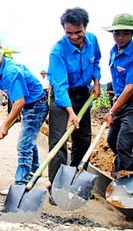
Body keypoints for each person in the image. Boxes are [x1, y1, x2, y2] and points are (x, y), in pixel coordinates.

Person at [0, 39, 48, 193]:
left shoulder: (11, 71)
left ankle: (20, 184)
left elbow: (20, 101)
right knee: (29, 141)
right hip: (29, 106)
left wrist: (5, 124)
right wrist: (14, 117)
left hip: (36, 106)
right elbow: (15, 99)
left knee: (23, 146)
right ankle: (34, 171)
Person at [47, 7, 101, 205]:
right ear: (64, 30)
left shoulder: (93, 40)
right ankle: (56, 187)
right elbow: (60, 86)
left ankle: (76, 184)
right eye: (69, 33)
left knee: (83, 139)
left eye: (78, 32)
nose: (74, 37)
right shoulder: (57, 51)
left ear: (85, 28)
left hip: (82, 94)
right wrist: (70, 112)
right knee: (59, 142)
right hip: (62, 98)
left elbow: (96, 62)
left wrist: (96, 82)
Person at [102, 13, 133, 177]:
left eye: (125, 33)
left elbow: (130, 88)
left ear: (131, 34)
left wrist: (112, 111)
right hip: (121, 103)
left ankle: (125, 183)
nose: (120, 37)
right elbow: (118, 80)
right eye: (117, 33)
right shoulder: (114, 52)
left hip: (132, 107)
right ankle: (125, 169)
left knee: (124, 144)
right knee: (112, 140)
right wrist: (116, 96)